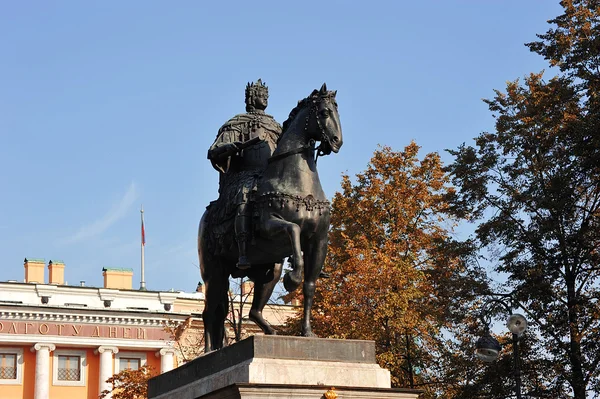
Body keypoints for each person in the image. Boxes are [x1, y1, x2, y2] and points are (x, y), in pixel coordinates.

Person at [207, 79, 282, 270]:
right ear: (250, 98)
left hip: (271, 177)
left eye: (266, 95)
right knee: (244, 195)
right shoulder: (237, 124)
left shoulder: (276, 126)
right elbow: (214, 151)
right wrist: (230, 147)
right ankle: (242, 251)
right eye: (259, 94)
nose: (264, 98)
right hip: (245, 176)